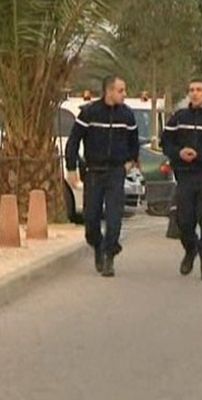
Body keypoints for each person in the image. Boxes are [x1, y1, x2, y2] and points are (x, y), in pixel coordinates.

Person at [65, 75, 139, 277]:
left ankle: (109, 256)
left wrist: (129, 162)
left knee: (115, 218)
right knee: (91, 219)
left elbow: (134, 143)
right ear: (109, 91)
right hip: (94, 172)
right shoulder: (89, 113)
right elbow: (73, 141)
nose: (124, 94)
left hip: (116, 172)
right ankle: (98, 245)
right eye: (121, 90)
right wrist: (71, 168)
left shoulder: (127, 116)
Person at [161, 78, 202, 281]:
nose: (195, 93)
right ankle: (190, 250)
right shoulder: (179, 118)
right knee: (184, 221)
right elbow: (166, 143)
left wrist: (200, 154)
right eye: (192, 90)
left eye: (199, 90)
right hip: (184, 176)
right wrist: (179, 153)